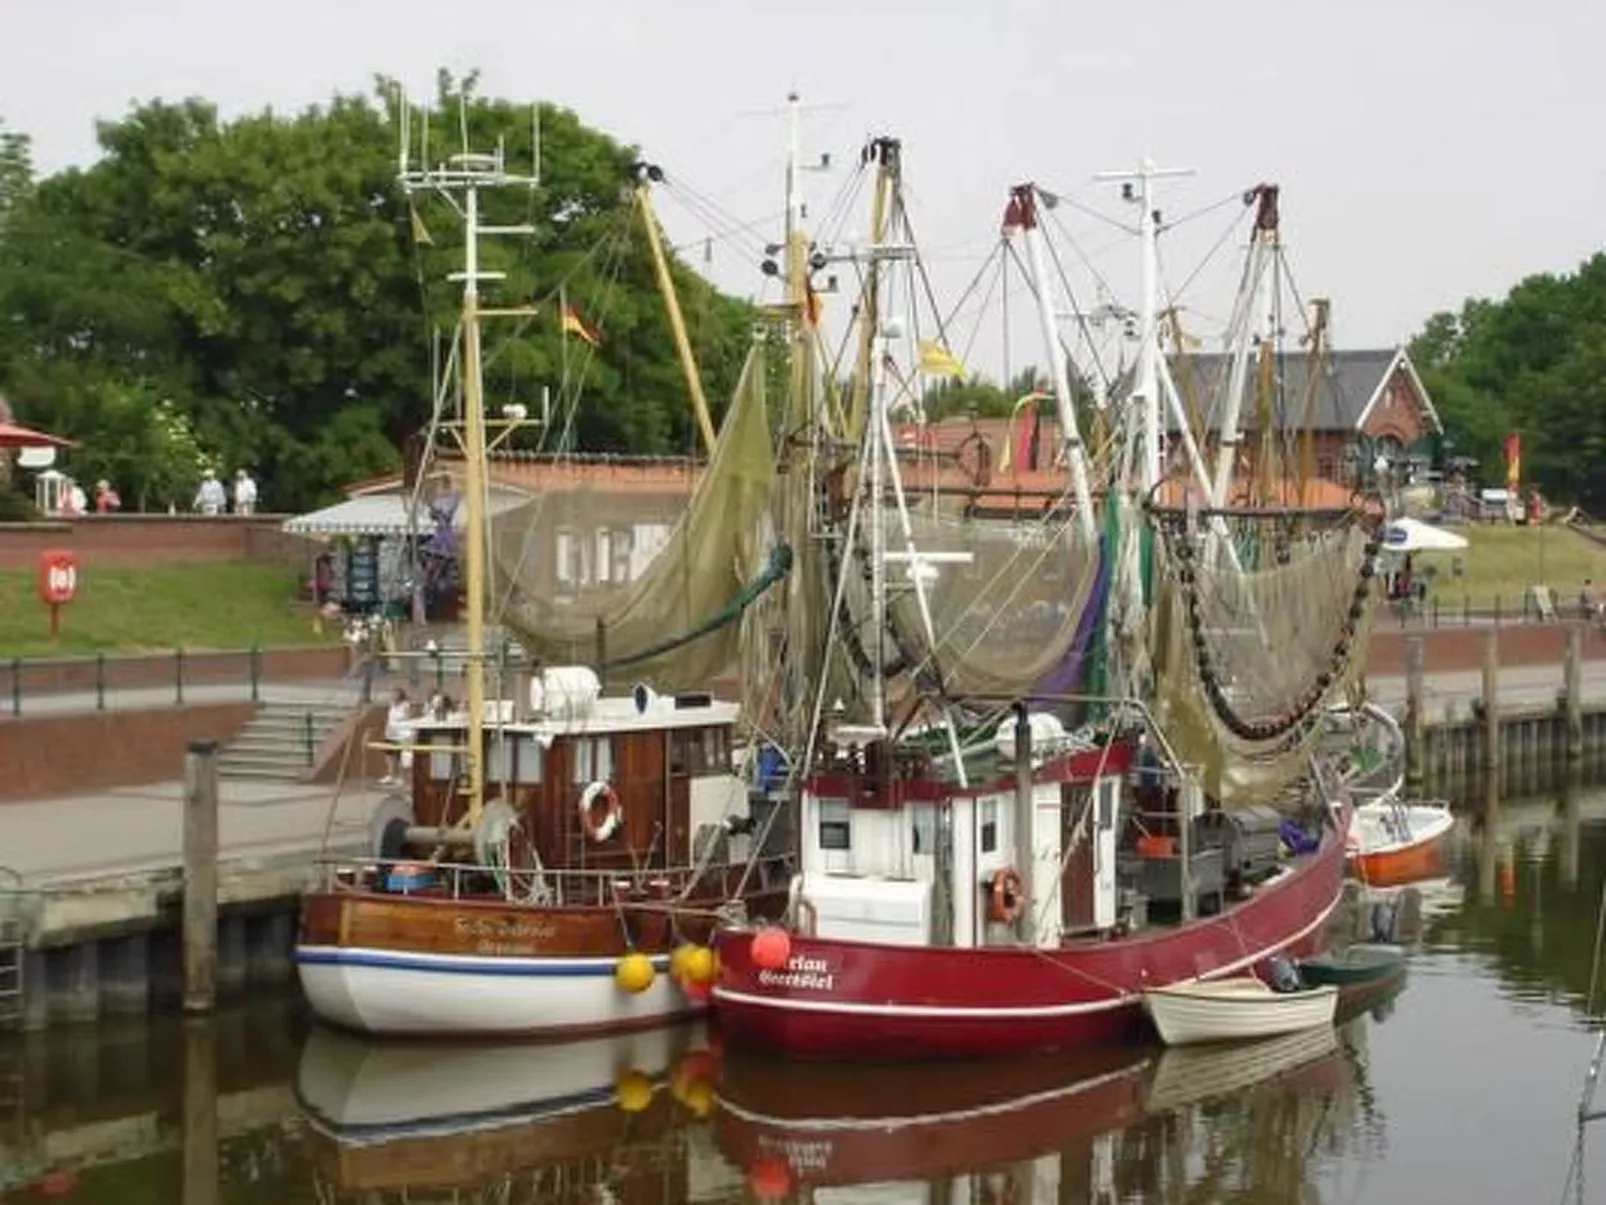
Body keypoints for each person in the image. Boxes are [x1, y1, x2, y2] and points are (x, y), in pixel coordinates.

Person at [382, 688, 413, 787]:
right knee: (390, 755)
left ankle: (402, 777)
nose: (393, 696)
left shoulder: (406, 705)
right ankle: (390, 775)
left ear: (400, 695)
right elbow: (389, 718)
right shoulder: (391, 705)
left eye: (395, 694)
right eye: (392, 694)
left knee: (401, 756)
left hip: (402, 734)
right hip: (391, 733)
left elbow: (407, 718)